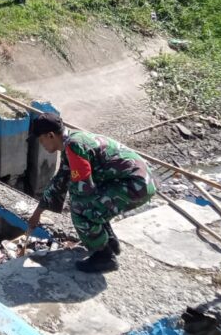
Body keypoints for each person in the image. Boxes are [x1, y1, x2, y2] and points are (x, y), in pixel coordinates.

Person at [27, 113, 156, 273]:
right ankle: (110, 242)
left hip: (135, 185)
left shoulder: (74, 147)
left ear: (51, 135)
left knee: (80, 208)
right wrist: (38, 212)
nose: (42, 145)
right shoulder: (72, 141)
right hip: (139, 181)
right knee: (91, 201)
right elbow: (59, 181)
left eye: (41, 140)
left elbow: (84, 189)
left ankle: (104, 257)